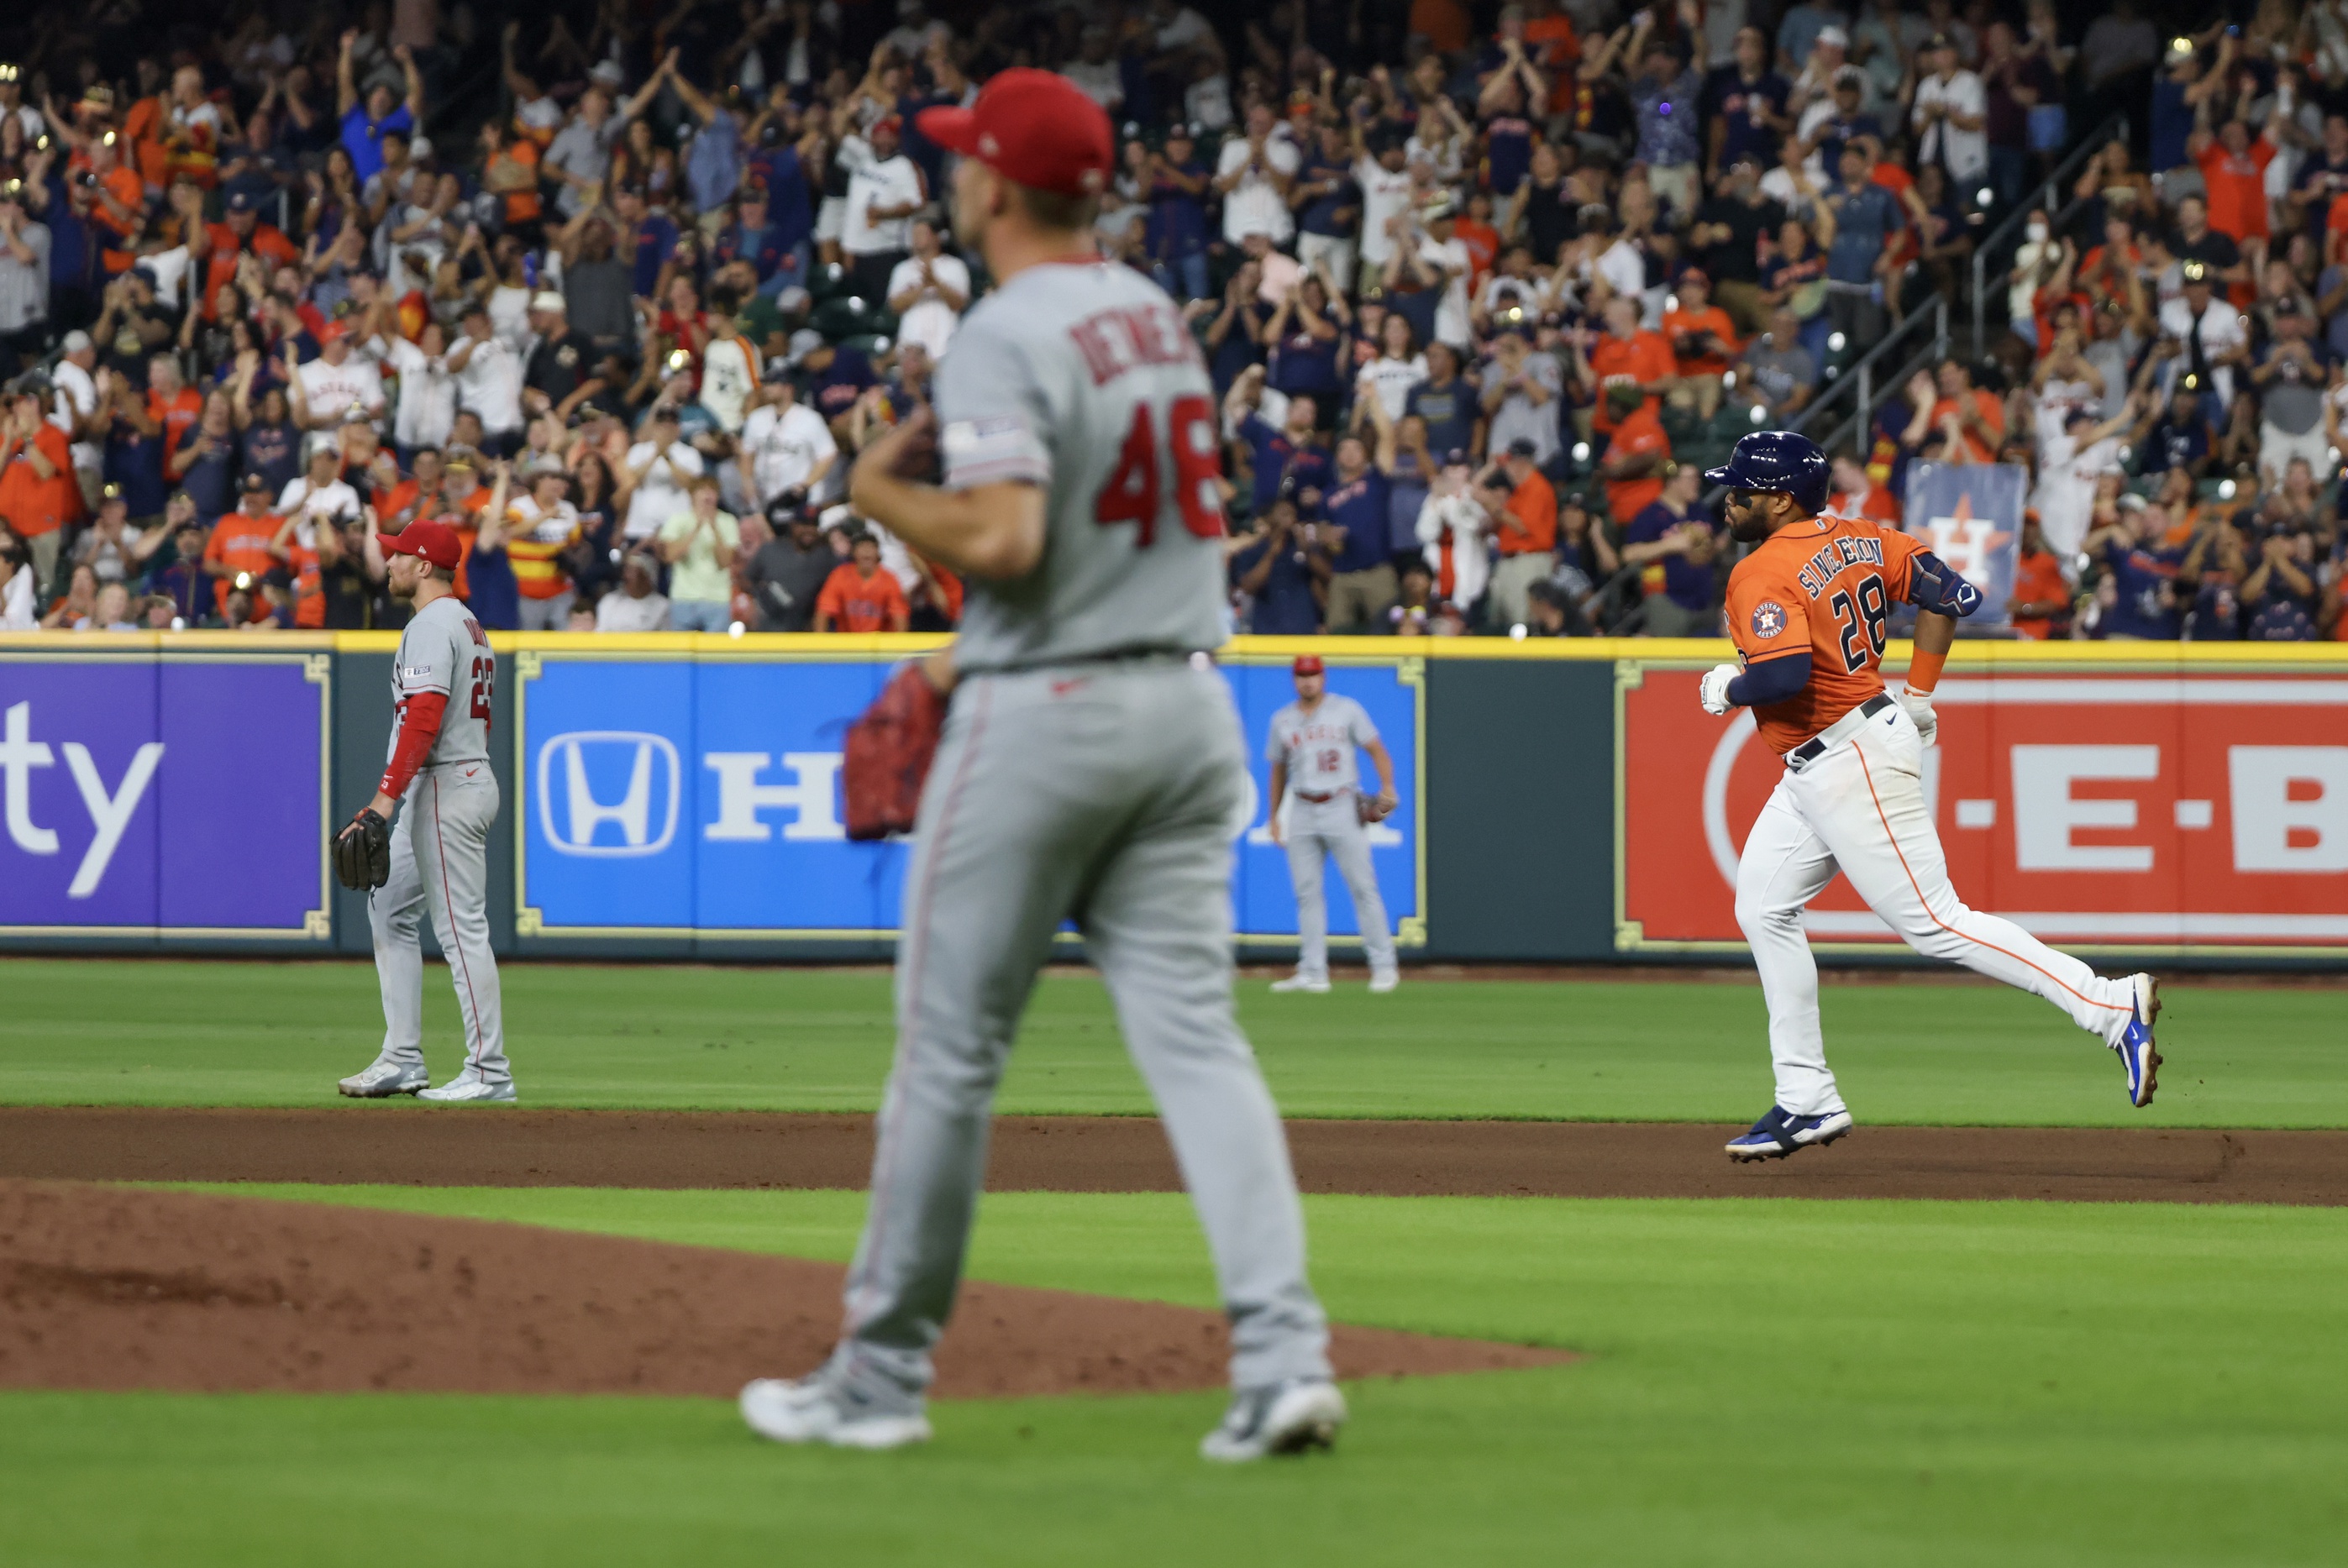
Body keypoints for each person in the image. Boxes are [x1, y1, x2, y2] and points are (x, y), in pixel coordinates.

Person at [738, 69, 1343, 1464]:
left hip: (1051, 719)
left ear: (997, 186)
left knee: (950, 1057)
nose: (953, 179)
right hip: (1187, 712)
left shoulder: (1004, 328)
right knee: (1200, 1043)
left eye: (963, 162)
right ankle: (1283, 1353)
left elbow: (1007, 539)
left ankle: (878, 1378)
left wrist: (879, 495)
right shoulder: (1158, 317)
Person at [1695, 430, 2162, 1162]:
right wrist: (1918, 692)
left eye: (1742, 490)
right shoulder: (1864, 536)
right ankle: (1805, 1098)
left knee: (1936, 922)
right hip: (1839, 750)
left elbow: (1782, 677)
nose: (1729, 500)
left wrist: (1726, 687)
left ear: (1780, 498)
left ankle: (2105, 1002)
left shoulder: (1760, 570)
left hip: (1846, 757)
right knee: (1761, 904)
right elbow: (1951, 592)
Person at [333, 517, 514, 1104]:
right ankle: (402, 1058)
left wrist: (384, 801)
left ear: (424, 566)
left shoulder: (432, 624)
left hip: (445, 785)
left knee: (461, 931)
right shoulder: (463, 621)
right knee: (387, 906)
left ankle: (489, 1071)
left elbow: (425, 715)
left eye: (398, 555)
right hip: (454, 780)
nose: (388, 563)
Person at [1264, 654, 1400, 995]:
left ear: (1323, 677)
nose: (1307, 681)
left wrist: (1387, 788)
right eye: (1301, 675)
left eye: (1313, 675)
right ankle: (1313, 971)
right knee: (1306, 893)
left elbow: (1377, 750)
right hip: (1302, 807)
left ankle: (1384, 966)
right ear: (1294, 679)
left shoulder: (1346, 710)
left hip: (1341, 802)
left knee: (1362, 887)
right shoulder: (1282, 719)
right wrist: (1274, 817)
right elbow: (1278, 771)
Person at [658, 474, 740, 632]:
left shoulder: (728, 521)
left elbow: (725, 562)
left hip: (717, 598)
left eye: (712, 491)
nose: (708, 495)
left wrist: (714, 527)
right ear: (692, 494)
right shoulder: (678, 520)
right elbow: (670, 556)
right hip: (684, 597)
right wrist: (696, 527)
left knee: (715, 654)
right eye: (703, 490)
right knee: (680, 654)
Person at [812, 530, 911, 632]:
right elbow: (824, 610)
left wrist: (899, 645)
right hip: (847, 641)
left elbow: (899, 615)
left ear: (878, 553)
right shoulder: (840, 575)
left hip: (878, 643)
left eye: (871, 547)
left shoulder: (889, 579)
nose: (867, 551)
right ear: (854, 553)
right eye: (862, 547)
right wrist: (820, 641)